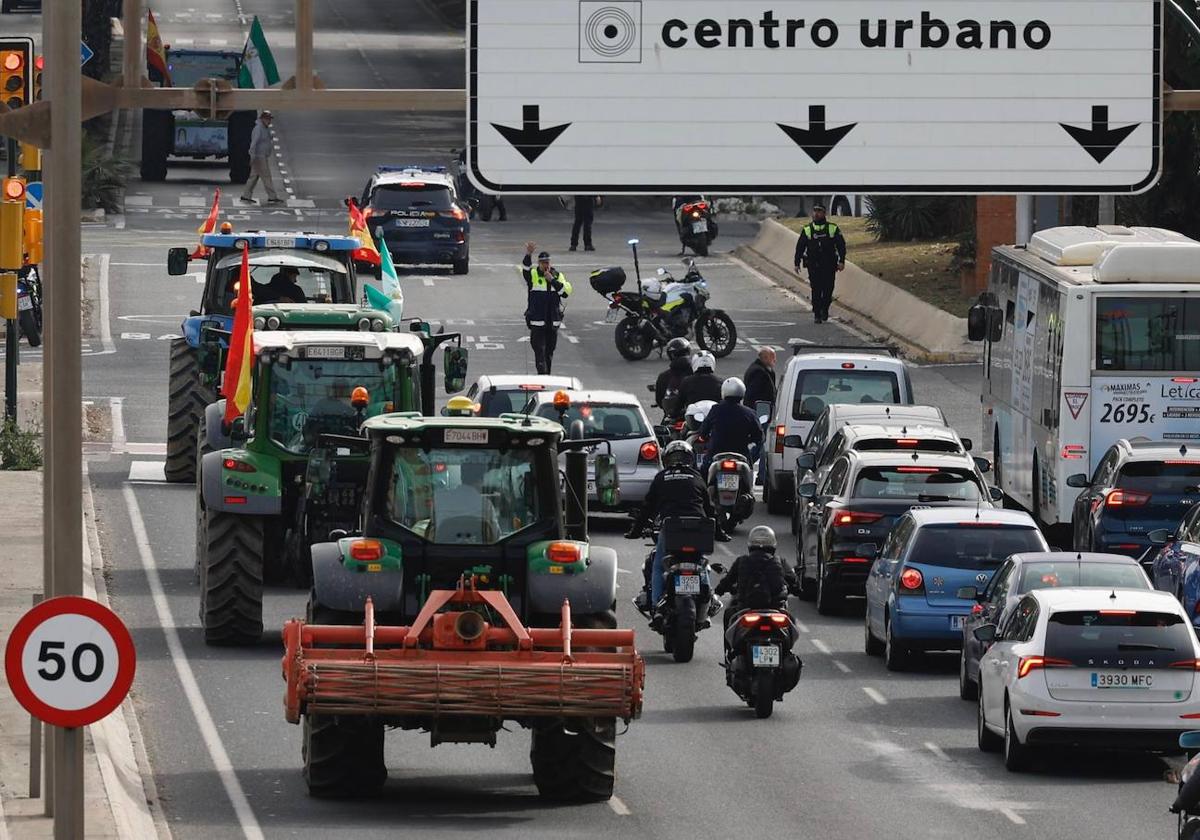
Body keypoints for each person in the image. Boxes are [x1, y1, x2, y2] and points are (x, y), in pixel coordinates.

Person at [625, 440, 729, 618]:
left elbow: (647, 508)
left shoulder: (662, 477)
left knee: (658, 565)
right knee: (701, 564)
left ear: (667, 459)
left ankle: (656, 605)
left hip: (671, 528)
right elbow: (710, 509)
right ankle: (708, 601)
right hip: (698, 528)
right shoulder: (697, 477)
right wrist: (720, 533)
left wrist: (635, 531)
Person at [714, 526, 799, 618]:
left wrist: (718, 592)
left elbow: (728, 581)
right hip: (776, 608)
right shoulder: (780, 561)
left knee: (728, 614)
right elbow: (793, 581)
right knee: (791, 622)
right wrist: (797, 590)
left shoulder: (742, 560)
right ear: (773, 544)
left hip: (745, 607)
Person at [521, 242, 572, 375]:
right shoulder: (533, 275)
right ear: (539, 263)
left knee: (549, 353)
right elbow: (525, 269)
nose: (545, 265)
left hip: (552, 322)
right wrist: (528, 254)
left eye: (547, 262)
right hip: (537, 322)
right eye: (543, 262)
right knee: (540, 352)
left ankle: (546, 377)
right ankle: (542, 376)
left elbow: (566, 292)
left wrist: (552, 281)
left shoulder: (557, 275)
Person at [793, 202, 846, 324]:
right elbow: (800, 247)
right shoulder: (807, 230)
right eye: (814, 211)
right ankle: (817, 313)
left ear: (824, 213)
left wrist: (841, 261)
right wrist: (797, 263)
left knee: (828, 289)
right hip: (813, 265)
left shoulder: (832, 228)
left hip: (829, 265)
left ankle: (824, 309)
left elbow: (841, 246)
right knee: (816, 289)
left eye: (819, 211)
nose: (816, 214)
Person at [698, 377, 763, 471]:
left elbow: (703, 431)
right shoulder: (749, 413)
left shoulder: (715, 410)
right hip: (741, 454)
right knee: (749, 471)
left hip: (716, 453)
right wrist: (748, 441)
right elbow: (759, 437)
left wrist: (706, 438)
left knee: (704, 471)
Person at [239, 111, 284, 205]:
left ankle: (246, 196)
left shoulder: (264, 128)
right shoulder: (258, 128)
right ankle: (272, 197)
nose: (269, 121)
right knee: (266, 176)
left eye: (270, 119)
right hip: (259, 157)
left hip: (261, 156)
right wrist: (252, 155)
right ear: (263, 119)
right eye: (268, 119)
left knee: (253, 177)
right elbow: (254, 143)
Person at [654, 337, 693, 417]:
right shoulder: (696, 373)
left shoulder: (663, 376)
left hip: (672, 416)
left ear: (671, 355)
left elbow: (659, 401)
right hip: (693, 415)